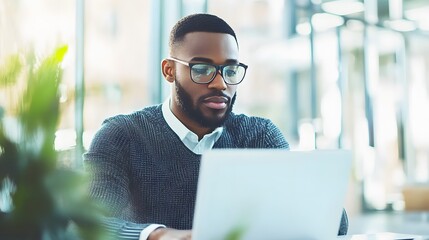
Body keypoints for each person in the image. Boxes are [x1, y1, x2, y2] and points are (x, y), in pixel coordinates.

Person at [84, 13, 348, 240]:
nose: (220, 84)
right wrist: (159, 234)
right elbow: (93, 220)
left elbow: (331, 225)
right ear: (169, 71)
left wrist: (321, 203)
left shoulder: (260, 136)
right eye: (202, 69)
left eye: (230, 71)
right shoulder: (121, 136)